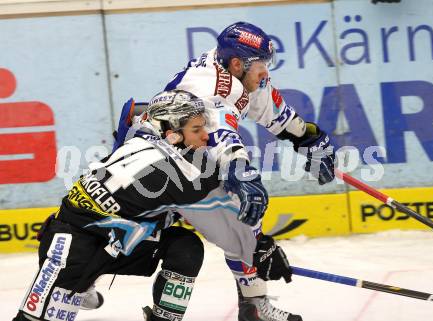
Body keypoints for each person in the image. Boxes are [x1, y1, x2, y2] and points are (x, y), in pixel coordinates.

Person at [13, 90, 292, 321]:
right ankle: (82, 281)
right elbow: (225, 225)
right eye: (197, 129)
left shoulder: (144, 134)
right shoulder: (174, 173)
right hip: (74, 243)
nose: (206, 136)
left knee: (185, 247)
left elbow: (135, 113)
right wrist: (258, 250)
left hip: (122, 240)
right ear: (172, 133)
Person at [161, 22, 335, 321]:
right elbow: (216, 127)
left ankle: (254, 306)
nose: (265, 73)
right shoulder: (208, 84)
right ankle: (76, 281)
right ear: (238, 63)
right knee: (133, 238)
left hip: (192, 162)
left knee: (242, 226)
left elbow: (273, 112)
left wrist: (307, 136)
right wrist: (238, 167)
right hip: (160, 167)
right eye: (261, 66)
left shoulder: (237, 72)